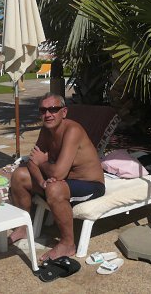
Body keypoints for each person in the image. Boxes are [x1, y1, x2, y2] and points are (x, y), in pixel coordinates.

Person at [8, 93, 105, 261]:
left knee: (55, 188)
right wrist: (41, 182)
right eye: (43, 110)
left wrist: (42, 162)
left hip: (89, 184)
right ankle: (23, 228)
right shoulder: (46, 130)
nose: (48, 114)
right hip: (62, 181)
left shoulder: (72, 131)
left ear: (64, 112)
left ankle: (68, 244)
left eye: (53, 109)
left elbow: (57, 172)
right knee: (19, 175)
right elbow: (32, 162)